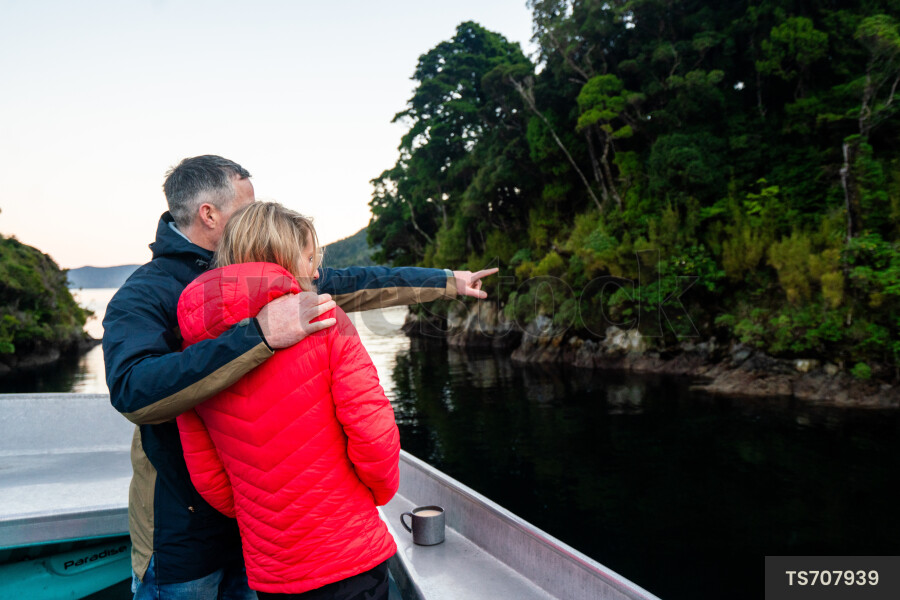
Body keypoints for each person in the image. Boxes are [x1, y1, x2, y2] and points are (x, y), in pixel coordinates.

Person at [102, 155, 498, 600]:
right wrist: (258, 336)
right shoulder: (144, 293)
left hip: (266, 536)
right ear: (208, 215)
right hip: (182, 532)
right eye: (246, 206)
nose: (257, 216)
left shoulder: (274, 274)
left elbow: (357, 281)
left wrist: (446, 281)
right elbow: (134, 391)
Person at [177, 202, 399, 599]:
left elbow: (207, 474)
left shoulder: (195, 349)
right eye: (309, 258)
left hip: (271, 571)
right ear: (281, 256)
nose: (315, 272)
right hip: (348, 555)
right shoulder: (326, 322)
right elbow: (374, 433)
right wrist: (373, 497)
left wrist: (262, 515)